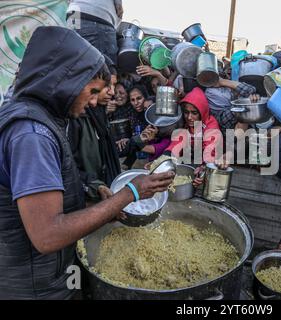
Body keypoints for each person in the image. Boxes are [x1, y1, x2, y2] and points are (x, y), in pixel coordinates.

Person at [0, 26, 174, 299]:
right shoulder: (32, 134)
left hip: (47, 275)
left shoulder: (42, 119)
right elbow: (48, 235)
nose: (95, 101)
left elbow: (43, 195)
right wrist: (132, 192)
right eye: (92, 91)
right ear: (64, 80)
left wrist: (92, 198)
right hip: (33, 286)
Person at [68, 59, 121, 202]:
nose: (112, 92)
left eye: (114, 85)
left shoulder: (101, 113)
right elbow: (67, 168)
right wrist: (94, 185)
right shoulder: (76, 117)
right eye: (107, 86)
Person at [165, 87, 222, 165]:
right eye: (186, 112)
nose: (189, 117)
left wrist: (204, 166)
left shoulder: (210, 125)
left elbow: (211, 150)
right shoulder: (184, 124)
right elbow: (176, 144)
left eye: (194, 113)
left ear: (202, 112)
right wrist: (164, 159)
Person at [66, 0, 123, 65]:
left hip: (73, 14)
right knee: (107, 69)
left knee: (76, 64)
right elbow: (119, 9)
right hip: (97, 14)